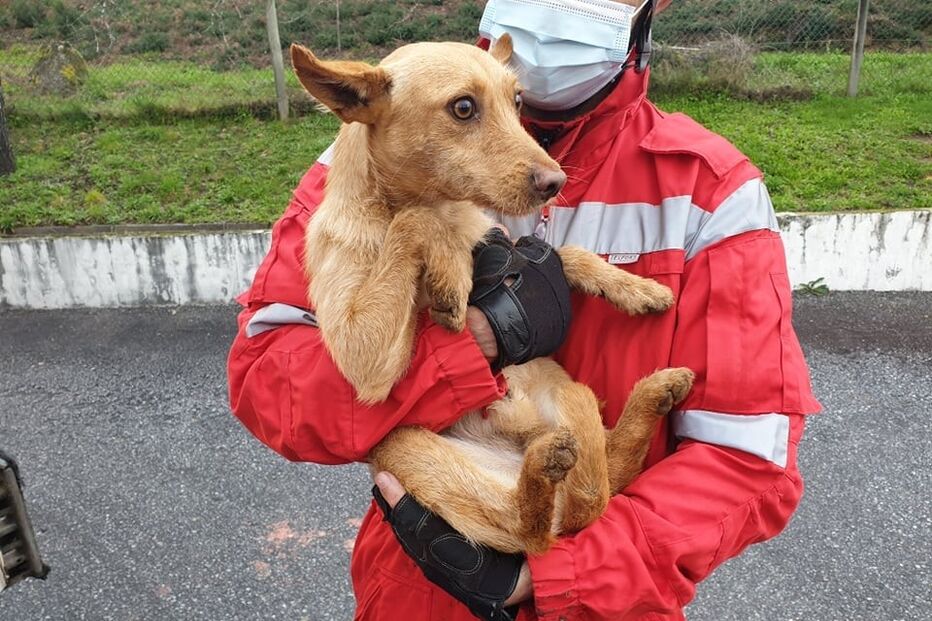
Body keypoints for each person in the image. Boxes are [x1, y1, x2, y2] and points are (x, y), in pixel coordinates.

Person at [227, 0, 821, 619]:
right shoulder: (373, 150)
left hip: (603, 599)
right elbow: (270, 385)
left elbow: (747, 459)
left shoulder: (710, 190)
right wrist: (477, 342)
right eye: (465, 110)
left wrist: (548, 577)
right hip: (415, 590)